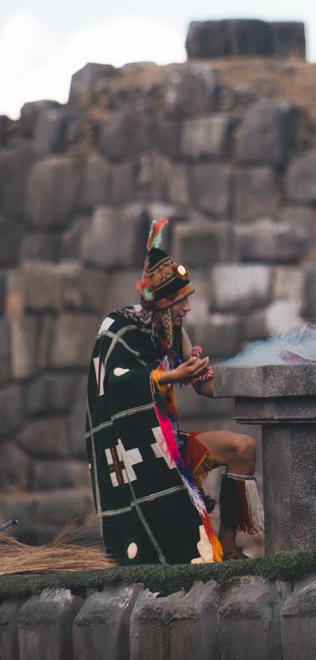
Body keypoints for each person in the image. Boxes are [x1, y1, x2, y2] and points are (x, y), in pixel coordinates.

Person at [85, 218, 263, 565]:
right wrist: (171, 376)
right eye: (181, 300)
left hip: (172, 442)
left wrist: (254, 378)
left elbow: (205, 385)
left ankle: (228, 548)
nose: (188, 307)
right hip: (140, 449)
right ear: (162, 303)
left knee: (243, 447)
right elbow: (118, 381)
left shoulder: (173, 332)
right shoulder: (120, 328)